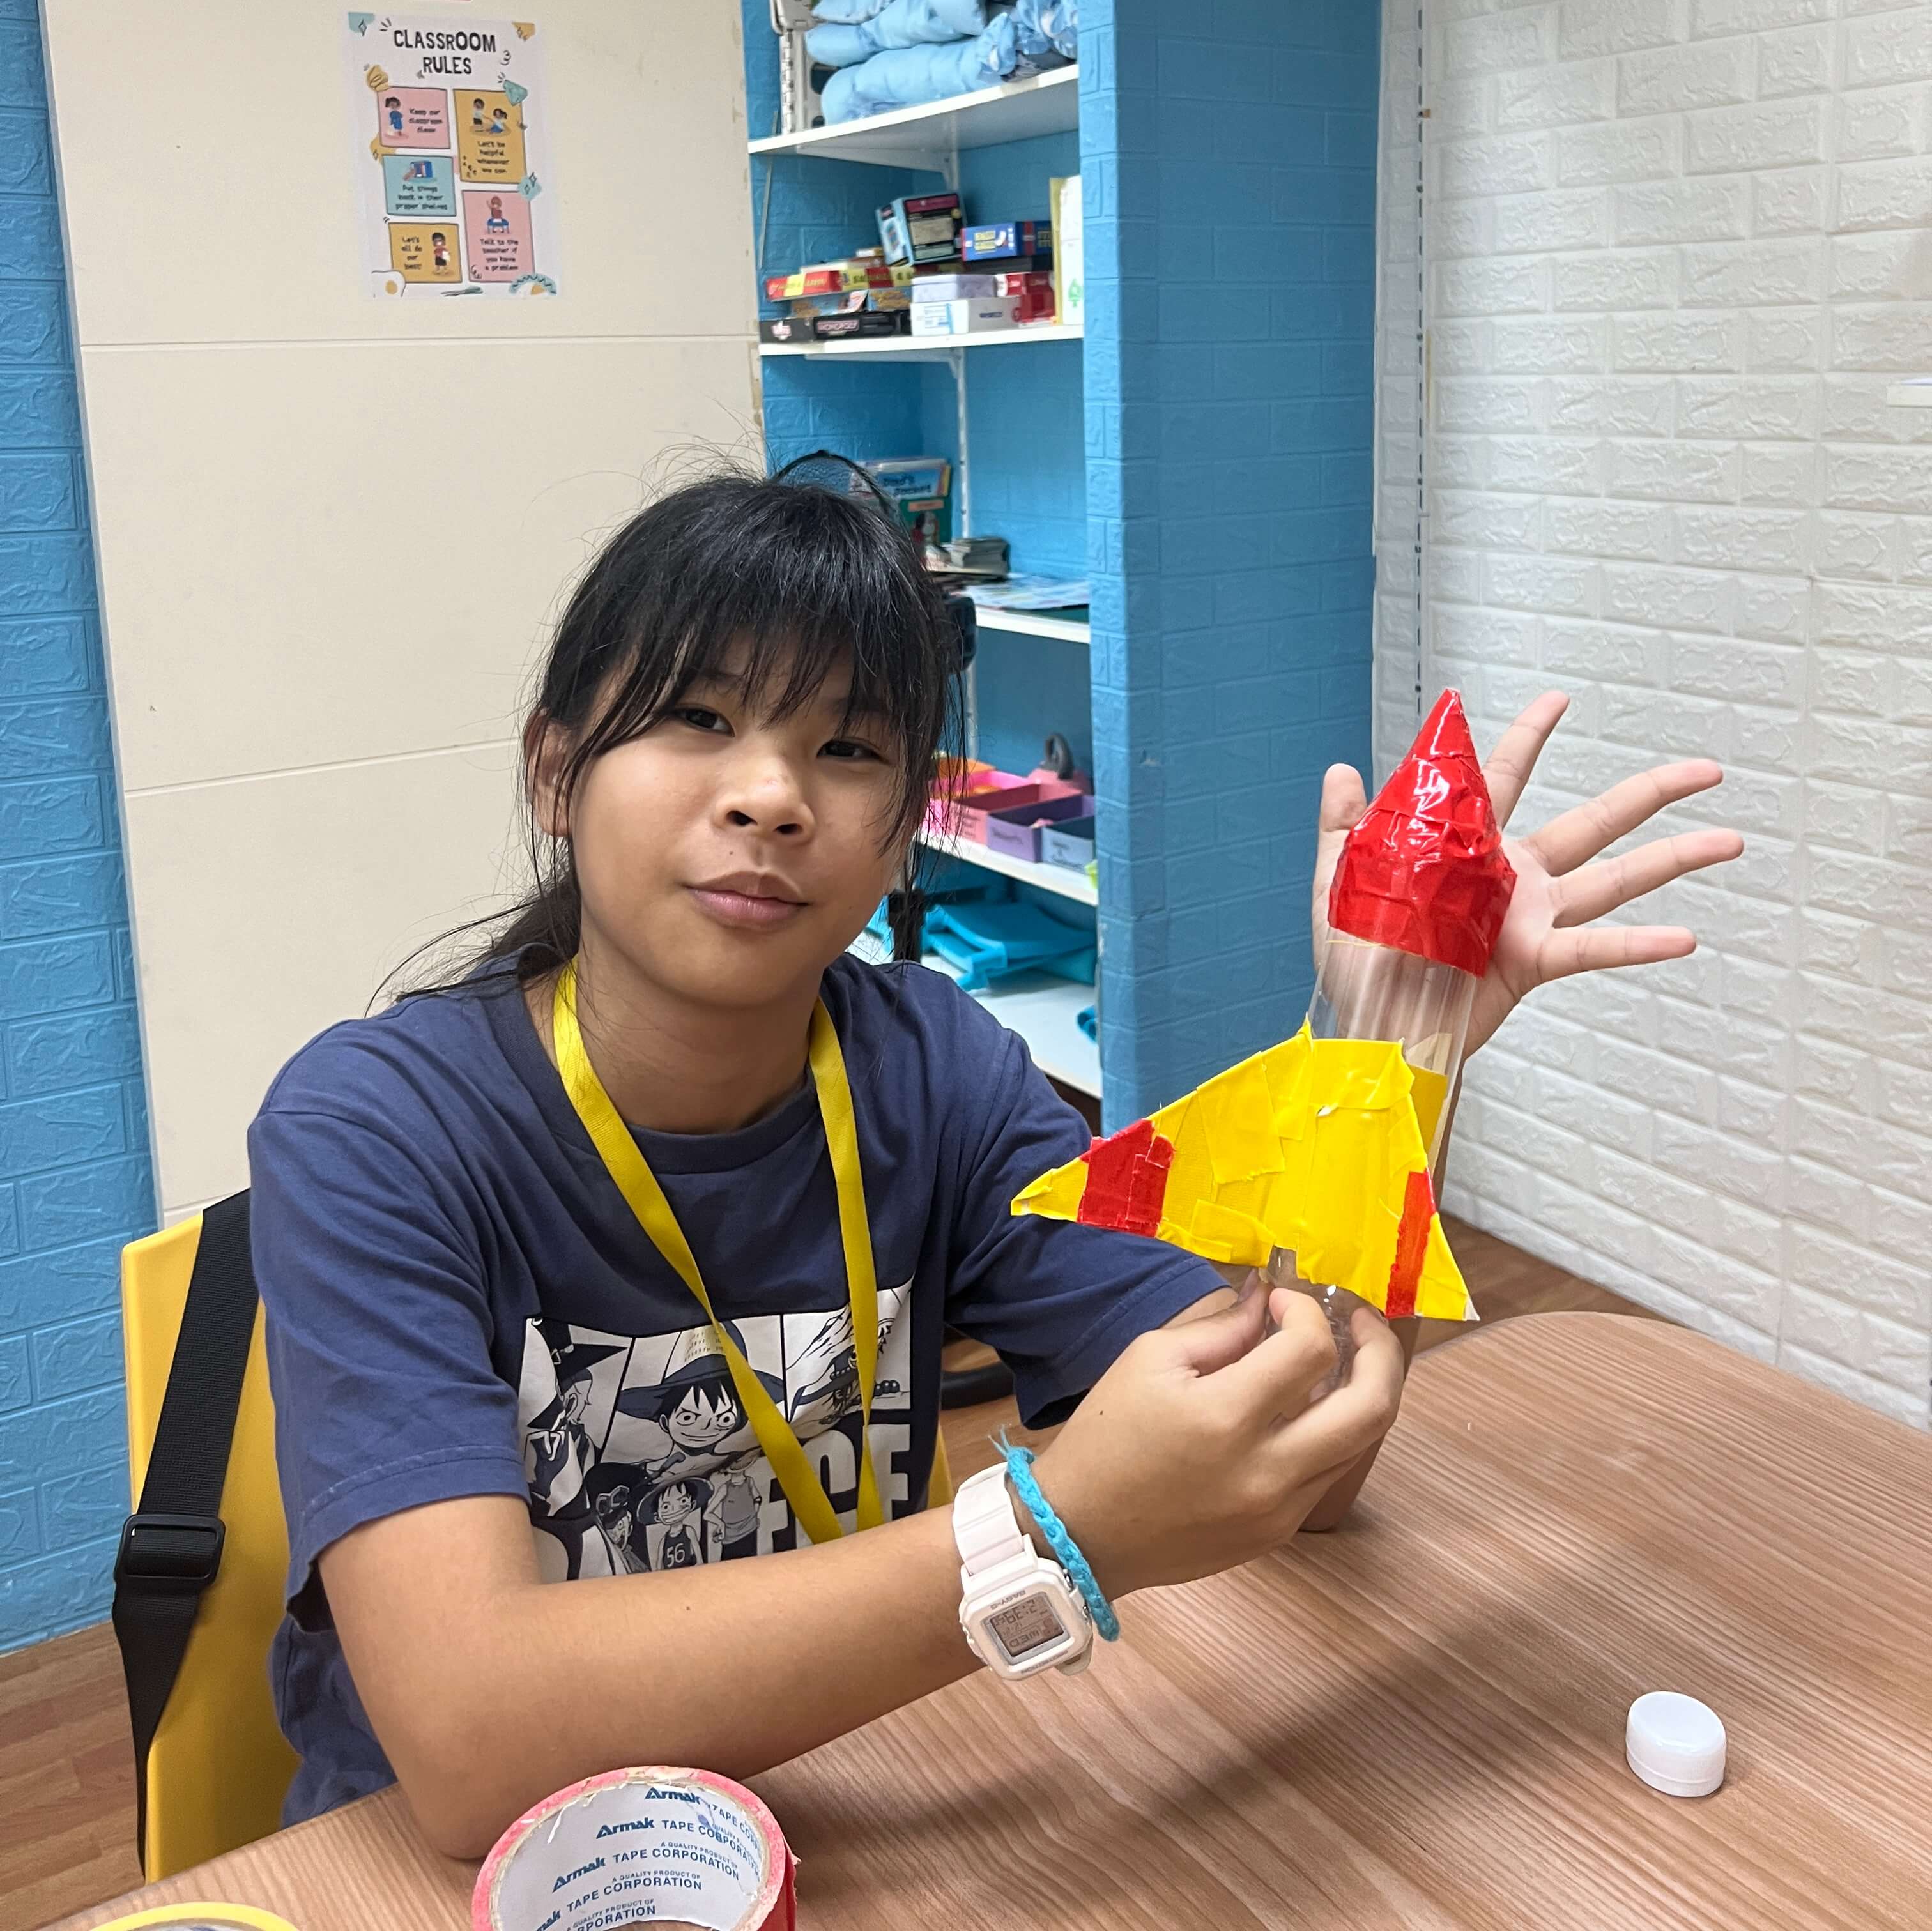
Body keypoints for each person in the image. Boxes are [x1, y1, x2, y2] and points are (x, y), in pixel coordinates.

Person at [250, 467, 1740, 1859]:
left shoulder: (934, 1072)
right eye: (697, 718)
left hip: (845, 1789)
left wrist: (1394, 1036)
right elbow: (472, 1741)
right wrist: (1042, 1529)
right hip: (494, 1872)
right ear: (556, 774)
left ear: (906, 833)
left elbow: (1304, 1457)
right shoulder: (377, 1131)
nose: (771, 795)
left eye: (847, 748)